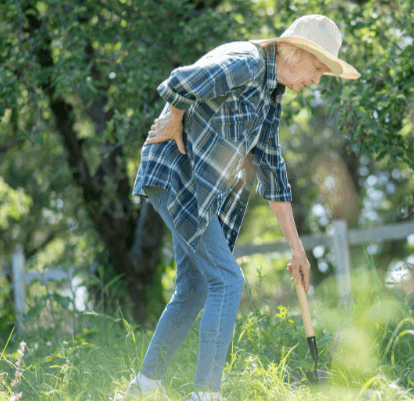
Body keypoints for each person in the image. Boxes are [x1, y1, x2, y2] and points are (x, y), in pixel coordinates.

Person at [121, 14, 360, 401]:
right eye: (317, 67)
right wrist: (173, 118)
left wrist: (296, 248)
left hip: (198, 191)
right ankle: (207, 394)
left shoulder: (270, 94)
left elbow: (270, 166)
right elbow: (182, 80)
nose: (316, 79)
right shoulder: (246, 62)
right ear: (295, 52)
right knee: (228, 280)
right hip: (176, 177)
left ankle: (144, 388)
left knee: (195, 288)